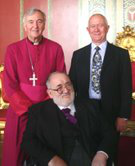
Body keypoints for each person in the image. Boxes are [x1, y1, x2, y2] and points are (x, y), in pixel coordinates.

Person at [2, 8, 66, 166]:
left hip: (46, 111)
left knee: (46, 156)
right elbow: (10, 84)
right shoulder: (13, 49)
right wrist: (28, 110)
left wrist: (42, 109)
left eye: (39, 21)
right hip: (20, 112)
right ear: (25, 26)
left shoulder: (55, 48)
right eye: (31, 22)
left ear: (44, 25)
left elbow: (60, 81)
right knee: (15, 156)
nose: (35, 26)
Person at [21, 72, 117, 166]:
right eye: (59, 88)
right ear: (50, 93)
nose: (66, 90)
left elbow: (109, 132)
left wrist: (102, 154)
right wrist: (51, 159)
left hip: (92, 159)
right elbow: (28, 141)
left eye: (68, 85)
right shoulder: (37, 111)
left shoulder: (91, 106)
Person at [69, 13, 132, 132]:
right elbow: (72, 86)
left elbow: (126, 87)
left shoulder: (121, 55)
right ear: (88, 30)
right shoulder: (78, 55)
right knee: (87, 148)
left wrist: (123, 116)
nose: (96, 29)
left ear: (107, 28)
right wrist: (70, 111)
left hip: (111, 113)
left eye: (100, 25)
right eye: (93, 26)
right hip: (84, 111)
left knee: (108, 148)